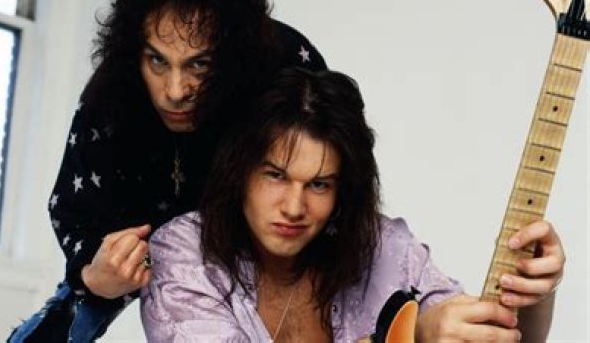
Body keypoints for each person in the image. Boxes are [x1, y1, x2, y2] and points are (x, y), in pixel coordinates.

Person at [8, 0, 327, 343]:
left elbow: (334, 168)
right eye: (157, 62)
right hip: (142, 230)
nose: (175, 92)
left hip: (261, 239)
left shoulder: (286, 67)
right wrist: (94, 275)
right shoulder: (111, 94)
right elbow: (77, 211)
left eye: (199, 64)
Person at [141, 67, 565, 342]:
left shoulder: (384, 247)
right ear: (239, 170)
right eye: (276, 176)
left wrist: (531, 291)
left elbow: (488, 336)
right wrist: (410, 335)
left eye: (319, 184)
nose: (294, 207)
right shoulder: (183, 253)